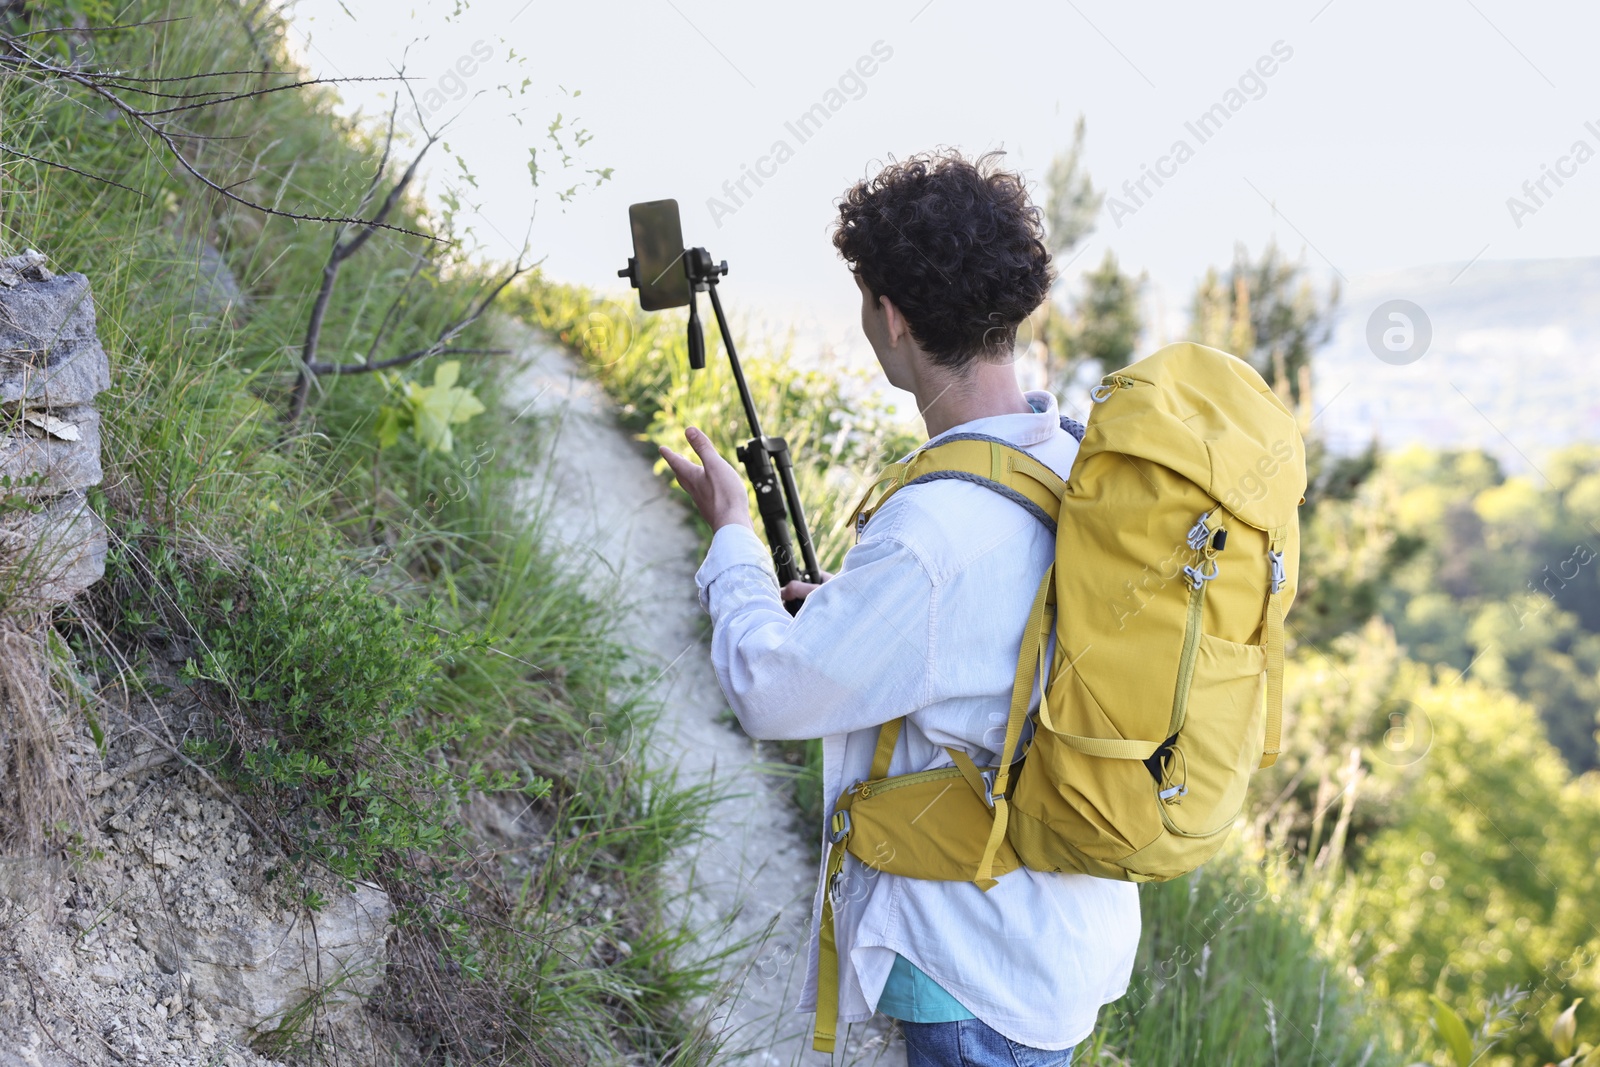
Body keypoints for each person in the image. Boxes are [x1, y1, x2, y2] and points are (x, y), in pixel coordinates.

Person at [659, 149, 1140, 1067]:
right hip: (1062, 933)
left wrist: (732, 541)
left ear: (890, 315)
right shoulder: (1073, 460)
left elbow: (770, 692)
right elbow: (1012, 645)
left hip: (970, 960)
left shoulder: (934, 529)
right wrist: (853, 613)